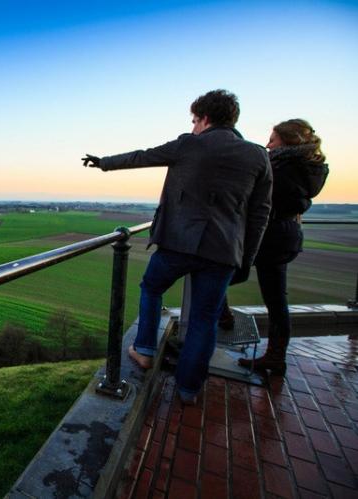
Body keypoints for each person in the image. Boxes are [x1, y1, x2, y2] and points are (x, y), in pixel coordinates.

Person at [82, 89, 272, 405]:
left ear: (205, 119)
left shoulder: (189, 144)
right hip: (224, 251)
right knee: (204, 318)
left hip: (178, 244)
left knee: (152, 287)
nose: (194, 126)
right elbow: (260, 213)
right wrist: (245, 258)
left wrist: (103, 163)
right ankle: (188, 389)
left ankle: (143, 350)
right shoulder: (257, 155)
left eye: (195, 120)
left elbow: (142, 156)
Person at [237, 119, 328, 374]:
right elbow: (300, 201)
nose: (268, 144)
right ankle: (276, 356)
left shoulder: (283, 168)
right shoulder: (308, 168)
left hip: (271, 237)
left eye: (273, 139)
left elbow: (259, 196)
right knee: (277, 300)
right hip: (286, 235)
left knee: (218, 273)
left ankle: (273, 356)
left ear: (288, 142)